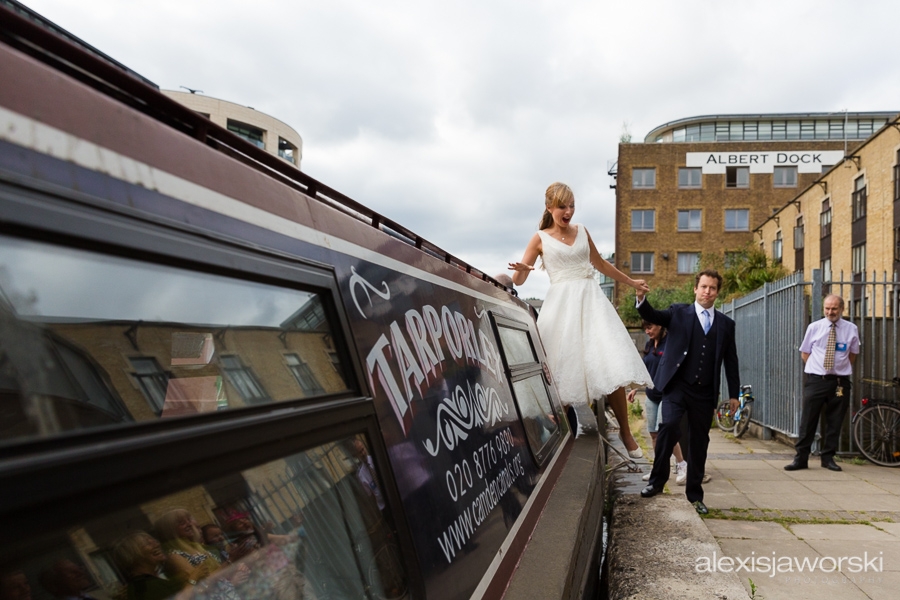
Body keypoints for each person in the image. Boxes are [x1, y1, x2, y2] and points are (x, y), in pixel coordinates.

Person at [509, 182, 653, 455]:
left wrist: (631, 281)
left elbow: (600, 263)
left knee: (612, 363)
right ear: (550, 207)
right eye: (562, 206)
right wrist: (522, 269)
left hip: (592, 302)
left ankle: (624, 430)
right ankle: (556, 441)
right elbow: (519, 280)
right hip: (562, 308)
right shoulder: (540, 238)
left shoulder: (582, 231)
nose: (568, 211)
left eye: (572, 205)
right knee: (560, 369)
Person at [636, 269, 739, 515]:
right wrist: (641, 299)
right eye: (703, 286)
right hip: (676, 386)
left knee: (699, 442)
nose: (707, 291)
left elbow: (731, 360)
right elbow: (652, 314)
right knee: (669, 427)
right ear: (695, 288)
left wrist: (734, 394)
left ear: (717, 292)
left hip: (704, 393)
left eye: (712, 288)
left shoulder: (726, 324)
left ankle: (695, 495)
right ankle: (656, 482)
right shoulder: (678, 313)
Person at [785, 294, 859, 472]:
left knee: (834, 421)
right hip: (817, 380)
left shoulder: (851, 329)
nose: (830, 312)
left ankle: (828, 458)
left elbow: (853, 354)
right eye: (827, 308)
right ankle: (801, 459)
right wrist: (818, 370)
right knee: (808, 420)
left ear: (841, 309)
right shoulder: (814, 327)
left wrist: (837, 370)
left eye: (834, 308)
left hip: (839, 382)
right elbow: (805, 353)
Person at [627, 321, 687, 483]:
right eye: (645, 328)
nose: (647, 331)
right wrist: (635, 389)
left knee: (664, 433)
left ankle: (681, 464)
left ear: (660, 326)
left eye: (650, 327)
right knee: (654, 434)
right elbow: (647, 370)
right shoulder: (648, 345)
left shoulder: (670, 344)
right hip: (651, 395)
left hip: (667, 395)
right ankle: (659, 468)